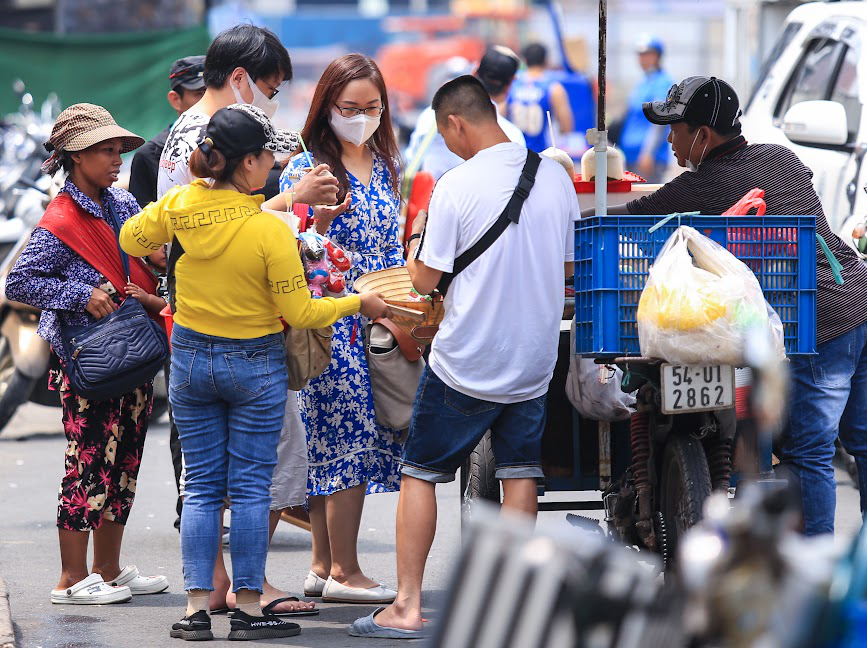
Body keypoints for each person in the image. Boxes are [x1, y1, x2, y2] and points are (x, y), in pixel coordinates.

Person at [120, 103, 391, 641]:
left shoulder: (179, 205)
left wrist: (177, 224)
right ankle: (247, 609)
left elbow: (132, 239)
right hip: (254, 364)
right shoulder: (268, 230)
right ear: (247, 163)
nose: (272, 165)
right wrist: (358, 303)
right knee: (248, 489)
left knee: (201, 488)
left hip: (190, 360)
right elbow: (303, 313)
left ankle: (196, 611)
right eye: (267, 156)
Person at [351, 75, 579, 638]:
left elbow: (423, 281)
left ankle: (406, 606)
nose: (448, 145)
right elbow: (570, 266)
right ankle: (514, 604)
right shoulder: (555, 175)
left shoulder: (455, 185)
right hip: (533, 359)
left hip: (467, 361)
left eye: (445, 134)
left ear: (454, 123)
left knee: (420, 472)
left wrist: (418, 241)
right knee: (519, 473)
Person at [594, 75, 867, 536]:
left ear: (702, 135)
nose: (669, 139)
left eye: (676, 129)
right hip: (858, 296)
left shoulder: (702, 185)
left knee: (809, 452)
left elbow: (624, 221)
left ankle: (817, 564)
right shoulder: (779, 157)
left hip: (818, 320)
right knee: (863, 442)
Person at [158, 24, 338, 616]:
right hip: (242, 333)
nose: (272, 101)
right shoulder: (208, 138)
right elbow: (230, 223)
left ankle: (203, 597)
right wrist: (291, 201)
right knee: (252, 481)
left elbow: (155, 232)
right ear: (239, 79)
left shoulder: (192, 136)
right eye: (271, 88)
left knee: (204, 483)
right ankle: (247, 597)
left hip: (193, 334)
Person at [5, 103, 168, 605]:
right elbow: (18, 282)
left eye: (119, 149)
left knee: (125, 464)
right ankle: (70, 580)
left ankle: (108, 569)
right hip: (88, 360)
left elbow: (149, 255)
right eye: (105, 150)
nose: (117, 158)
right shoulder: (61, 217)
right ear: (76, 156)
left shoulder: (122, 202)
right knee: (88, 464)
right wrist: (81, 294)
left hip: (132, 350)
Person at [279, 53, 405, 605]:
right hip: (331, 319)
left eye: (372, 107)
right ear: (327, 106)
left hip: (382, 315)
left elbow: (392, 241)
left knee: (347, 440)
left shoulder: (386, 163)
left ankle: (322, 566)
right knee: (342, 441)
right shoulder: (307, 169)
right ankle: (345, 571)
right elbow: (285, 243)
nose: (361, 118)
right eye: (350, 108)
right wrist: (319, 226)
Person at [404, 45, 526, 180]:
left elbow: (412, 159)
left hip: (433, 192)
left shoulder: (431, 115)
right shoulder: (512, 136)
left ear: (474, 72)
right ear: (509, 85)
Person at [129, 55, 206, 208]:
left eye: (213, 92)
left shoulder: (233, 141)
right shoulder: (150, 155)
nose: (208, 100)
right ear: (176, 100)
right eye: (200, 93)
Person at [616, 36, 673, 182]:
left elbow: (659, 120)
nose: (642, 59)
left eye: (647, 54)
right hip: (630, 155)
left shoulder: (663, 82)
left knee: (647, 196)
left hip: (648, 158)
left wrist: (648, 153)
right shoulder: (643, 83)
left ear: (657, 56)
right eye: (640, 55)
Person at [506, 43, 574, 152]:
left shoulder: (512, 84)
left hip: (515, 151)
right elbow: (566, 125)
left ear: (524, 60)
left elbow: (501, 115)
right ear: (546, 60)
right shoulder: (553, 88)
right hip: (542, 152)